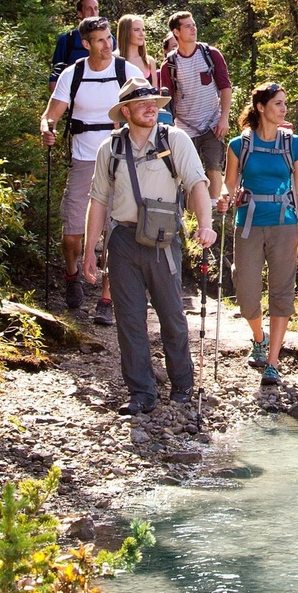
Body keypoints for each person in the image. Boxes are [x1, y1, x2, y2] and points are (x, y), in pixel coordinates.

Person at [82, 79, 217, 416]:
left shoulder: (175, 140)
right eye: (141, 102)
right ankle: (141, 392)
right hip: (123, 240)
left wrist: (205, 224)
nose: (150, 107)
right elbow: (98, 200)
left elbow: (197, 184)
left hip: (164, 239)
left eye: (153, 101)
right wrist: (90, 251)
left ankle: (183, 384)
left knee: (172, 314)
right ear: (125, 111)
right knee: (128, 319)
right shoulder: (109, 149)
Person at [224, 82, 298, 387]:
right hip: (247, 222)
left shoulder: (295, 145)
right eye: (277, 103)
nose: (284, 109)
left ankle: (272, 361)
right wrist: (223, 197)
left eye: (284, 103)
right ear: (261, 107)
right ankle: (258, 338)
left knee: (282, 290)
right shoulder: (239, 145)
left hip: (284, 224)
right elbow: (230, 184)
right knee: (246, 293)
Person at [39, 17, 127, 315]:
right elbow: (50, 114)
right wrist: (47, 129)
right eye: (100, 40)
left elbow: (149, 106)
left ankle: (106, 298)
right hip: (83, 159)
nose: (108, 44)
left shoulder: (125, 70)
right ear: (86, 44)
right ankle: (72, 273)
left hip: (121, 160)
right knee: (72, 231)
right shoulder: (73, 74)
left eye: (109, 37)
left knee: (115, 232)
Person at [158, 11, 232, 208]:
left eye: (194, 24)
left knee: (214, 167)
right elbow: (166, 101)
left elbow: (225, 87)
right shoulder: (169, 65)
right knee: (188, 172)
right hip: (184, 126)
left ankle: (214, 212)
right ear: (176, 32)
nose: (194, 29)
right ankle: (192, 215)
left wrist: (224, 118)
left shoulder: (211, 54)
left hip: (212, 122)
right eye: (188, 26)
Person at [49, 0, 100, 88]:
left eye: (96, 8)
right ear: (80, 14)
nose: (93, 12)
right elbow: (54, 78)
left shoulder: (109, 40)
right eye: (89, 9)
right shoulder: (67, 40)